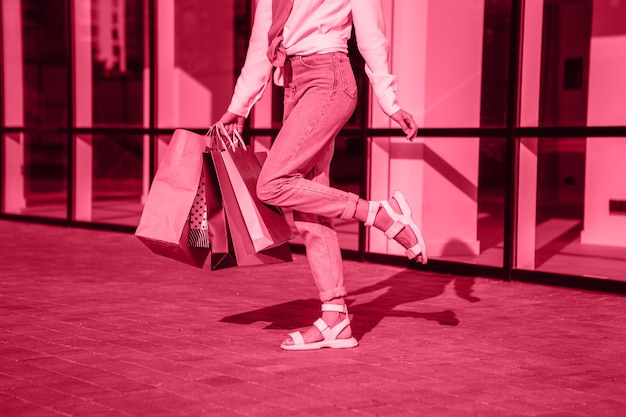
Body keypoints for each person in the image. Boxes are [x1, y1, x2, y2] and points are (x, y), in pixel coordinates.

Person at [218, 0, 427, 351]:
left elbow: (371, 33)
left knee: (272, 183)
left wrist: (389, 101)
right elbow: (261, 42)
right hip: (293, 83)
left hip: (329, 77)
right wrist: (239, 107)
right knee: (309, 205)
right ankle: (335, 318)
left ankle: (376, 213)